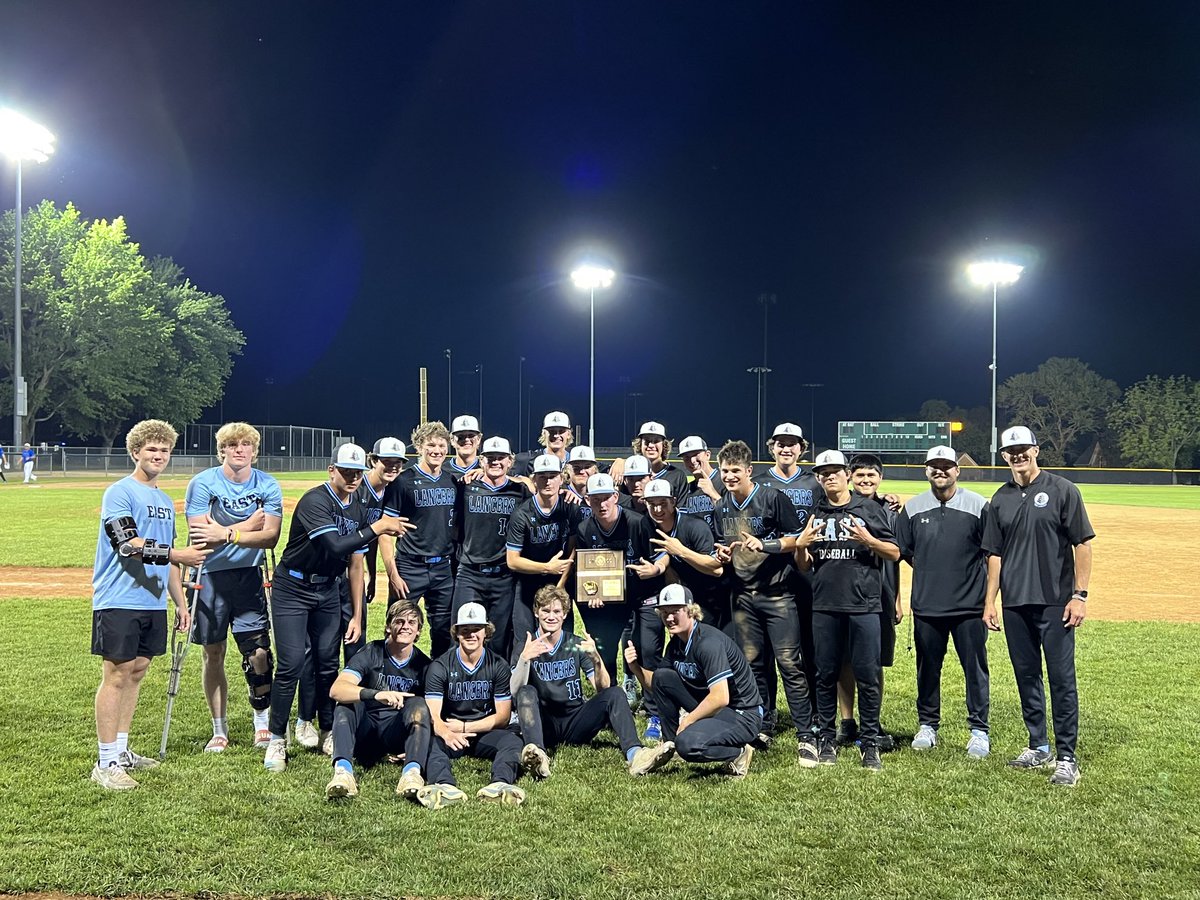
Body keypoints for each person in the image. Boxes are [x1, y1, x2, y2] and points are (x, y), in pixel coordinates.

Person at [263, 443, 409, 773]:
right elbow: (335, 544)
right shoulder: (315, 500)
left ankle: (328, 728)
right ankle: (276, 738)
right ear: (332, 470)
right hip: (293, 587)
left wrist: (357, 615)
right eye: (346, 471)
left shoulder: (356, 506)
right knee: (290, 664)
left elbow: (355, 565)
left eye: (357, 472)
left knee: (329, 664)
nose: (353, 478)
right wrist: (380, 526)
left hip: (328, 589)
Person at [90, 419, 209, 790]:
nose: (158, 456)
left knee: (138, 672)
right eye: (151, 450)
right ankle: (105, 761)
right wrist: (180, 553)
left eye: (164, 450)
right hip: (119, 598)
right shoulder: (119, 492)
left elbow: (171, 562)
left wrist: (181, 602)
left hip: (153, 602)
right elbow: (127, 544)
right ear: (136, 452)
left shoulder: (161, 499)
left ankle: (122, 751)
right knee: (117, 675)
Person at [983, 426, 1094, 787]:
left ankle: (1067, 757)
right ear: (1003, 456)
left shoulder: (1062, 489)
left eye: (1023, 448)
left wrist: (1079, 596)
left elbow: (1083, 544)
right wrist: (990, 602)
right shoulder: (999, 498)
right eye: (1010, 451)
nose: (1017, 455)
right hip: (1016, 602)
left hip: (1055, 603)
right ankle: (1039, 745)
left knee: (1062, 680)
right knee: (1026, 676)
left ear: (1036, 449)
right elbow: (994, 555)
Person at [711, 440, 816, 764]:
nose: (729, 477)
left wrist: (765, 544)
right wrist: (722, 553)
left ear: (748, 470)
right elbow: (722, 544)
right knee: (754, 665)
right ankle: (763, 721)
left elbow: (797, 539)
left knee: (789, 664)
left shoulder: (772, 498)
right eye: (724, 471)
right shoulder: (721, 508)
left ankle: (806, 733)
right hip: (743, 596)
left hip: (777, 594)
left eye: (735, 471)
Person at [794, 449, 899, 772]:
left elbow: (894, 552)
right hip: (825, 605)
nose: (829, 477)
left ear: (846, 475)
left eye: (835, 472)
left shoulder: (868, 509)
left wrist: (869, 540)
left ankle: (869, 743)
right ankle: (827, 738)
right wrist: (800, 545)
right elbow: (804, 565)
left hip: (864, 605)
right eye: (823, 473)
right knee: (825, 675)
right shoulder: (816, 513)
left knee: (867, 676)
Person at [184, 422, 284, 753]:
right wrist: (246, 527)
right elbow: (200, 538)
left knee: (258, 654)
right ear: (222, 450)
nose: (239, 449)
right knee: (213, 653)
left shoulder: (267, 484)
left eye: (245, 444)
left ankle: (261, 723)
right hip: (209, 578)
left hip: (249, 575)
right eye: (232, 444)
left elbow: (270, 537)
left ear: (254, 451)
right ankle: (219, 729)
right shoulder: (203, 483)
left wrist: (224, 532)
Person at [895, 445, 991, 758]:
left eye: (946, 466)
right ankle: (928, 725)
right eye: (934, 466)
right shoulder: (912, 508)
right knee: (927, 670)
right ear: (926, 471)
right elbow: (905, 552)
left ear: (957, 470)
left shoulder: (978, 505)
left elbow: (991, 553)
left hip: (970, 606)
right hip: (926, 606)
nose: (941, 471)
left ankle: (979, 730)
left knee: (975, 670)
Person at [623, 584, 763, 778]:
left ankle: (738, 753)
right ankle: (671, 746)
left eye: (675, 612)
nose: (669, 618)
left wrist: (689, 720)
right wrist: (635, 668)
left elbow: (720, 697)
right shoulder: (677, 644)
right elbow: (657, 684)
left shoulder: (708, 643)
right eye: (664, 612)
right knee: (663, 677)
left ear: (691, 611)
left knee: (689, 745)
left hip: (743, 713)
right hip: (716, 707)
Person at [512, 585, 645, 776]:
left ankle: (635, 753)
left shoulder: (575, 643)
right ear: (536, 612)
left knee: (616, 693)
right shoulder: (526, 646)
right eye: (546, 610)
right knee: (526, 691)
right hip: (544, 723)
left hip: (575, 720)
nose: (551, 616)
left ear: (565, 614)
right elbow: (515, 692)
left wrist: (596, 660)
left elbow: (603, 689)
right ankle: (538, 755)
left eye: (557, 611)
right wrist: (524, 660)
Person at [575, 472, 668, 739]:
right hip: (611, 599)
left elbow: (660, 552)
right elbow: (587, 574)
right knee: (603, 652)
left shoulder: (637, 522)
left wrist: (656, 568)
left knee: (648, 651)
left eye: (606, 498)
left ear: (616, 497)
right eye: (595, 500)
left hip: (643, 595)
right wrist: (592, 592)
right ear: (587, 500)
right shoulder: (585, 530)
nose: (601, 504)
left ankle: (654, 713)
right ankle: (609, 709)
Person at [751, 422, 822, 739]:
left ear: (802, 449)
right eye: (780, 443)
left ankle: (814, 712)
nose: (786, 448)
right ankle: (766, 714)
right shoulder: (760, 481)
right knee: (765, 652)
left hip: (806, 573)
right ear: (771, 447)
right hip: (768, 574)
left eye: (792, 443)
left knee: (807, 647)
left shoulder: (814, 482)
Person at [421, 602, 527, 807]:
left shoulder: (498, 665)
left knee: (513, 743)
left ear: (486, 632)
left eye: (476, 629)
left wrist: (465, 727)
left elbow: (503, 717)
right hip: (449, 733)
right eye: (465, 630)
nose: (471, 635)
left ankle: (500, 785)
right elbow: (433, 715)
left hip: (484, 731)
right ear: (456, 633)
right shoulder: (440, 666)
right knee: (430, 745)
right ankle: (444, 786)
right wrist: (446, 732)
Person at [325, 600, 432, 802]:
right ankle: (343, 772)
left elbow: (434, 711)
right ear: (388, 626)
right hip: (365, 732)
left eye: (412, 622)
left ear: (418, 631)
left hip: (396, 734)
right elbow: (337, 689)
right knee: (346, 704)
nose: (405, 626)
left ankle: (411, 774)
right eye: (399, 621)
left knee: (418, 704)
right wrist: (375, 694)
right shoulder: (371, 652)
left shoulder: (424, 665)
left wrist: (416, 745)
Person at [836, 453, 903, 750]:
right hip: (845, 592)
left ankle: (871, 723)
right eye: (860, 475)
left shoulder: (889, 509)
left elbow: (896, 556)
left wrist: (898, 598)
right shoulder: (841, 505)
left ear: (880, 478)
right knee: (844, 659)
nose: (865, 480)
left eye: (871, 476)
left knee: (873, 661)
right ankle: (847, 721)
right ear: (850, 476)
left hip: (881, 593)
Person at [382, 421, 457, 658]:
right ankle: (392, 681)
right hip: (409, 566)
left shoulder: (452, 481)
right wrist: (393, 574)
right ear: (419, 446)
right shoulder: (403, 481)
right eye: (431, 444)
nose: (436, 450)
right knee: (399, 628)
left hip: (443, 569)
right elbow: (384, 531)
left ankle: (437, 684)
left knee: (444, 633)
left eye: (441, 445)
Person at [452, 436, 527, 657]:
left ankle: (496, 687)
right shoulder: (465, 487)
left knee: (498, 638)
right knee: (461, 631)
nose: (495, 462)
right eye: (490, 458)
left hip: (503, 576)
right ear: (481, 461)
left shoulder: (520, 491)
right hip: (470, 573)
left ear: (510, 461)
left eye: (501, 458)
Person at [504, 453, 577, 663]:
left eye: (552, 475)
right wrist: (547, 568)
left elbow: (574, 546)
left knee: (561, 638)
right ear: (534, 479)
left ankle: (560, 687)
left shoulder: (569, 507)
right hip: (528, 582)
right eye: (542, 476)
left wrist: (561, 583)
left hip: (558, 581)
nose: (548, 481)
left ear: (561, 479)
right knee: (524, 639)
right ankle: (521, 691)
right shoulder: (522, 514)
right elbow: (513, 560)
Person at [644, 479, 730, 634]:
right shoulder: (648, 526)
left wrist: (681, 551)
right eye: (651, 503)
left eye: (663, 503)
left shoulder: (694, 525)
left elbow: (716, 570)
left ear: (674, 501)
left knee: (707, 644)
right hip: (685, 596)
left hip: (713, 596)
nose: (657, 509)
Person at [676, 435, 723, 532]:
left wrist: (713, 494)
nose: (692, 461)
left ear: (708, 455)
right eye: (686, 457)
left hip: (722, 544)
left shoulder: (724, 481)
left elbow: (735, 516)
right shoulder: (688, 488)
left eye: (696, 454)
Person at [511, 411, 573, 478]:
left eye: (561, 431)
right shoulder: (529, 460)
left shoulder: (575, 460)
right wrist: (523, 480)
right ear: (543, 433)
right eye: (551, 431)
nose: (556, 435)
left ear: (568, 434)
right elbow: (504, 477)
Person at [447, 415, 482, 479]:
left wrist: (488, 474)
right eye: (461, 436)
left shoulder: (487, 470)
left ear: (478, 439)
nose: (466, 439)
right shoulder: (442, 470)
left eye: (471, 435)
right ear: (452, 440)